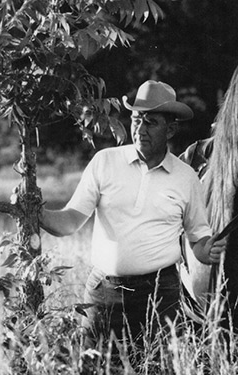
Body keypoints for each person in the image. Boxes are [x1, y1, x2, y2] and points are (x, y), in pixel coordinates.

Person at [40, 80, 226, 351]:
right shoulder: (104, 162)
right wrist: (36, 213)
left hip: (161, 297)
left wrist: (206, 250)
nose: (140, 129)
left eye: (151, 122)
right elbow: (70, 221)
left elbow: (198, 239)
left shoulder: (186, 178)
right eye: (137, 119)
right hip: (103, 294)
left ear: (171, 129)